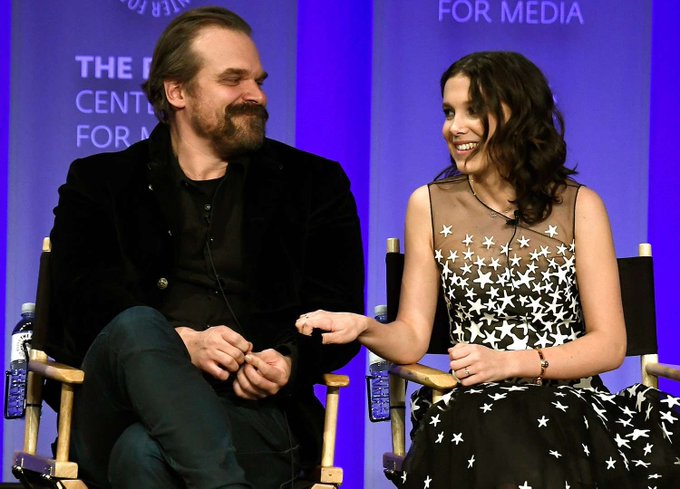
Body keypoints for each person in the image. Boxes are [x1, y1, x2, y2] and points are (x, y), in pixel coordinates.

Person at [297, 51, 680, 488]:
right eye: (448, 112)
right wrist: (363, 326)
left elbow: (609, 346)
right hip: (473, 409)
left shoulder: (580, 206)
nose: (454, 127)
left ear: (518, 116)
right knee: (497, 436)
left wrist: (509, 363)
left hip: (571, 404)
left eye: (472, 111)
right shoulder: (428, 204)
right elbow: (412, 338)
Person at [44, 6, 364, 489]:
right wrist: (180, 344)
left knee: (141, 454)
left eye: (258, 81)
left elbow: (338, 311)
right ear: (177, 92)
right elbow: (81, 305)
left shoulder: (313, 184)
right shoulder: (101, 183)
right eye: (233, 80)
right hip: (116, 407)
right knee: (136, 325)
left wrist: (288, 360)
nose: (256, 95)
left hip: (250, 417)